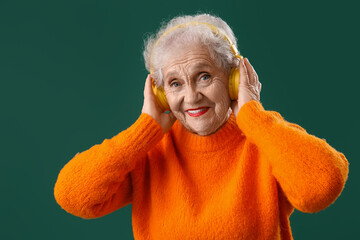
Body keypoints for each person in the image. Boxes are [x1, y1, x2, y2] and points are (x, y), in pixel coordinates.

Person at [54, 14, 349, 239]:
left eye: (204, 76)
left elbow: (320, 189)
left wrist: (253, 116)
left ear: (234, 80)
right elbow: (73, 196)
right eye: (175, 83)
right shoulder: (150, 151)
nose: (191, 96)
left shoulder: (265, 137)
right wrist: (144, 130)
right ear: (159, 94)